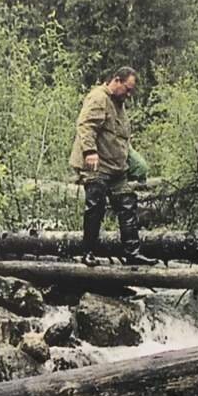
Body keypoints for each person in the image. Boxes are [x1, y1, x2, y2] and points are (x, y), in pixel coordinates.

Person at [69, 66, 157, 267]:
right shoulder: (99, 98)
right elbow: (86, 126)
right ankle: (88, 252)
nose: (129, 94)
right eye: (127, 89)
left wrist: (133, 161)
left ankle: (132, 253)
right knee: (95, 206)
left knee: (127, 204)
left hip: (116, 168)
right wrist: (90, 152)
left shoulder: (119, 103)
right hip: (96, 165)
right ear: (116, 80)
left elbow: (120, 137)